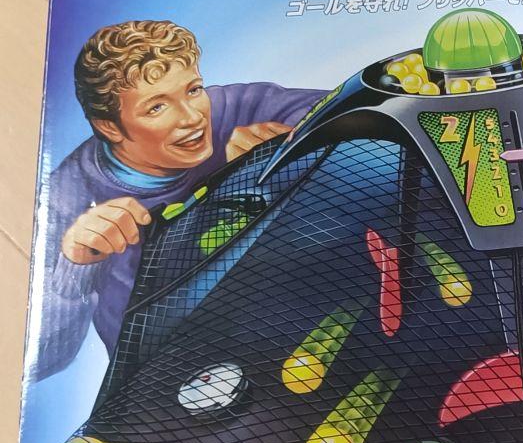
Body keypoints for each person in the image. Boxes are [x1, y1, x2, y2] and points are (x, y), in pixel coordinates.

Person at [37, 20, 329, 380]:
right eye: (156, 108)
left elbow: (345, 107)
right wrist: (75, 266)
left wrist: (291, 142)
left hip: (302, 322)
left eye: (193, 90)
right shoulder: (64, 200)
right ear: (109, 126)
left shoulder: (232, 107)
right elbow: (44, 358)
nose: (192, 118)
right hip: (181, 374)